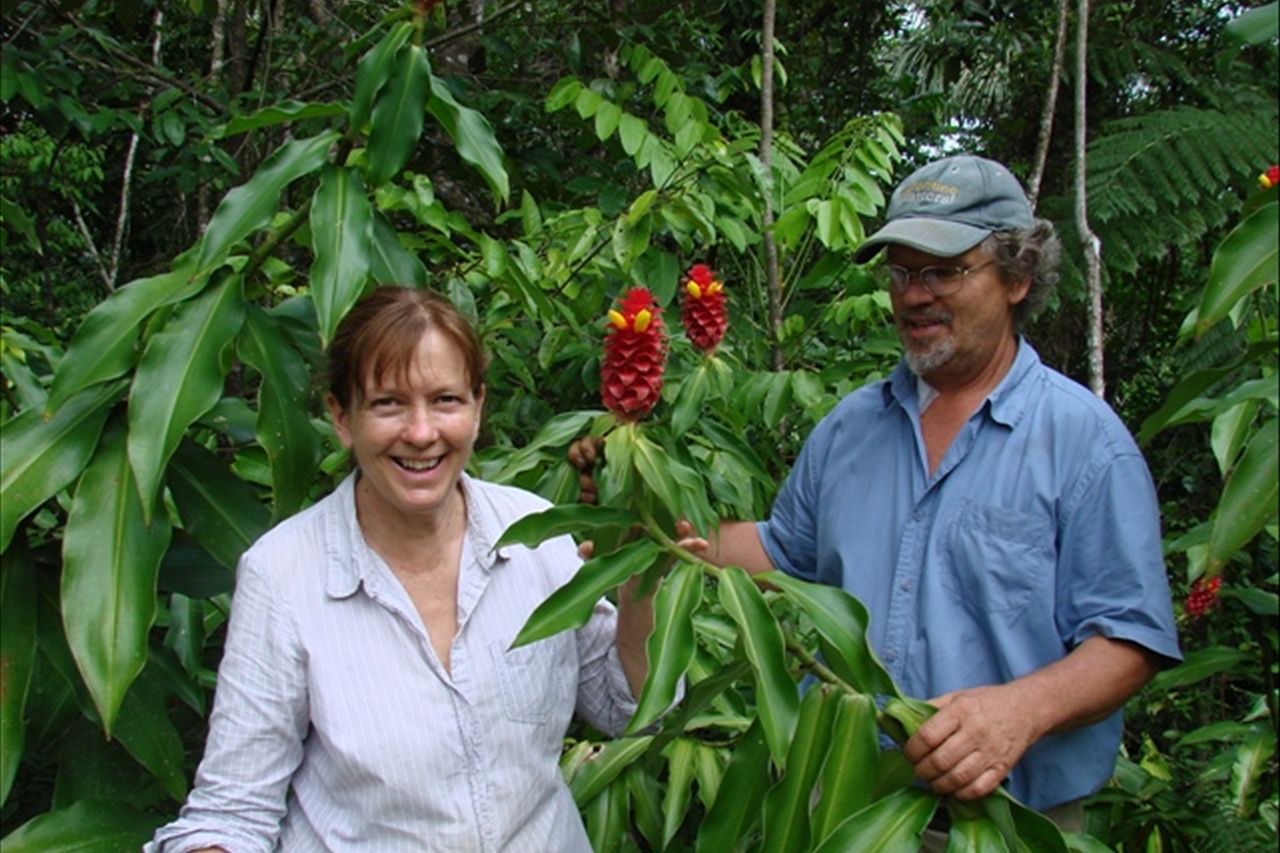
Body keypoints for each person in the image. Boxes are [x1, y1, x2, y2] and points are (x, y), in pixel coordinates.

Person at [579, 155, 1181, 828]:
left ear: (1017, 276)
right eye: (900, 271)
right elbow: (783, 549)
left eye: (943, 270)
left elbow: (1131, 638)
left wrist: (1020, 711)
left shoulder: (1084, 443)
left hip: (1006, 821)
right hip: (840, 800)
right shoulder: (851, 428)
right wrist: (645, 518)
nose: (914, 294)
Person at [148, 286, 654, 852]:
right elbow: (232, 814)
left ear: (478, 406)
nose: (421, 432)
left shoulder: (534, 533)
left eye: (445, 400)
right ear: (342, 418)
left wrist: (643, 578)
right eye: (388, 403)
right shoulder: (284, 575)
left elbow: (629, 712)